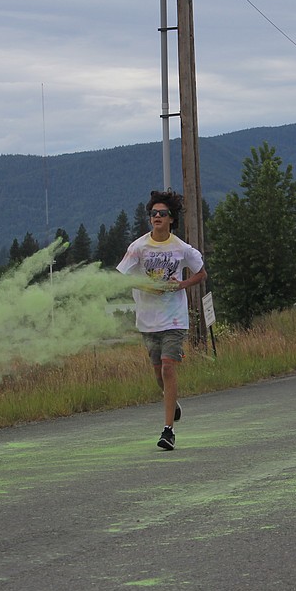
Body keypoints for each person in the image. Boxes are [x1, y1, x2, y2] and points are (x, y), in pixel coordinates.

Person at [116, 190, 206, 450]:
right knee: (158, 373)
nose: (157, 216)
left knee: (168, 367)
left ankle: (168, 431)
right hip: (147, 319)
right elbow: (123, 275)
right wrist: (145, 286)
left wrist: (182, 285)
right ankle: (172, 401)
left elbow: (201, 273)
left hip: (174, 319)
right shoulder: (139, 247)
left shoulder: (181, 248)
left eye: (162, 213)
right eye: (153, 213)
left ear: (171, 219)